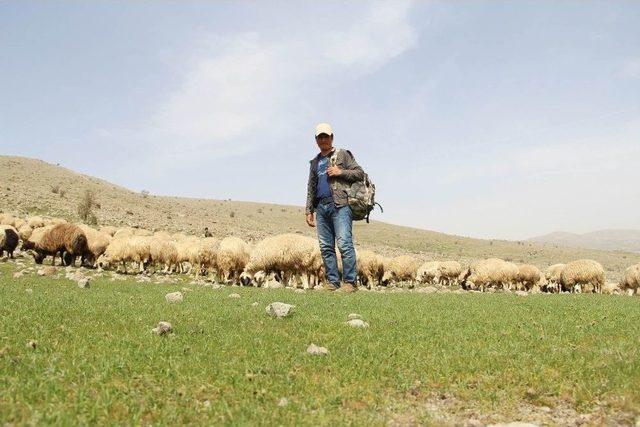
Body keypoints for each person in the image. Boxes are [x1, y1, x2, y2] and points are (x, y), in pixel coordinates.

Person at [305, 123, 364, 292]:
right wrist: (309, 210)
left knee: (344, 243)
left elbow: (360, 173)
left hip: (340, 205)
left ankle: (350, 282)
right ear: (316, 140)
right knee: (325, 246)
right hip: (321, 208)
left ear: (332, 137)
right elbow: (311, 186)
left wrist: (340, 172)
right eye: (320, 137)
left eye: (326, 136)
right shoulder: (315, 162)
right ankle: (332, 281)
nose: (323, 139)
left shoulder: (343, 154)